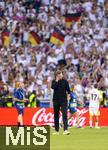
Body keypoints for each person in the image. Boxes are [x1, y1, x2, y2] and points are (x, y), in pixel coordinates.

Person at [51, 70, 70, 135]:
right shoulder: (54, 81)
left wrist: (68, 97)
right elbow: (53, 87)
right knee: (56, 115)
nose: (60, 75)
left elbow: (68, 91)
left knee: (64, 115)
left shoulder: (65, 81)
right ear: (56, 75)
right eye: (58, 74)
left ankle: (66, 130)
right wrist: (56, 80)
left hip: (64, 100)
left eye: (61, 74)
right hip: (56, 100)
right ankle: (56, 130)